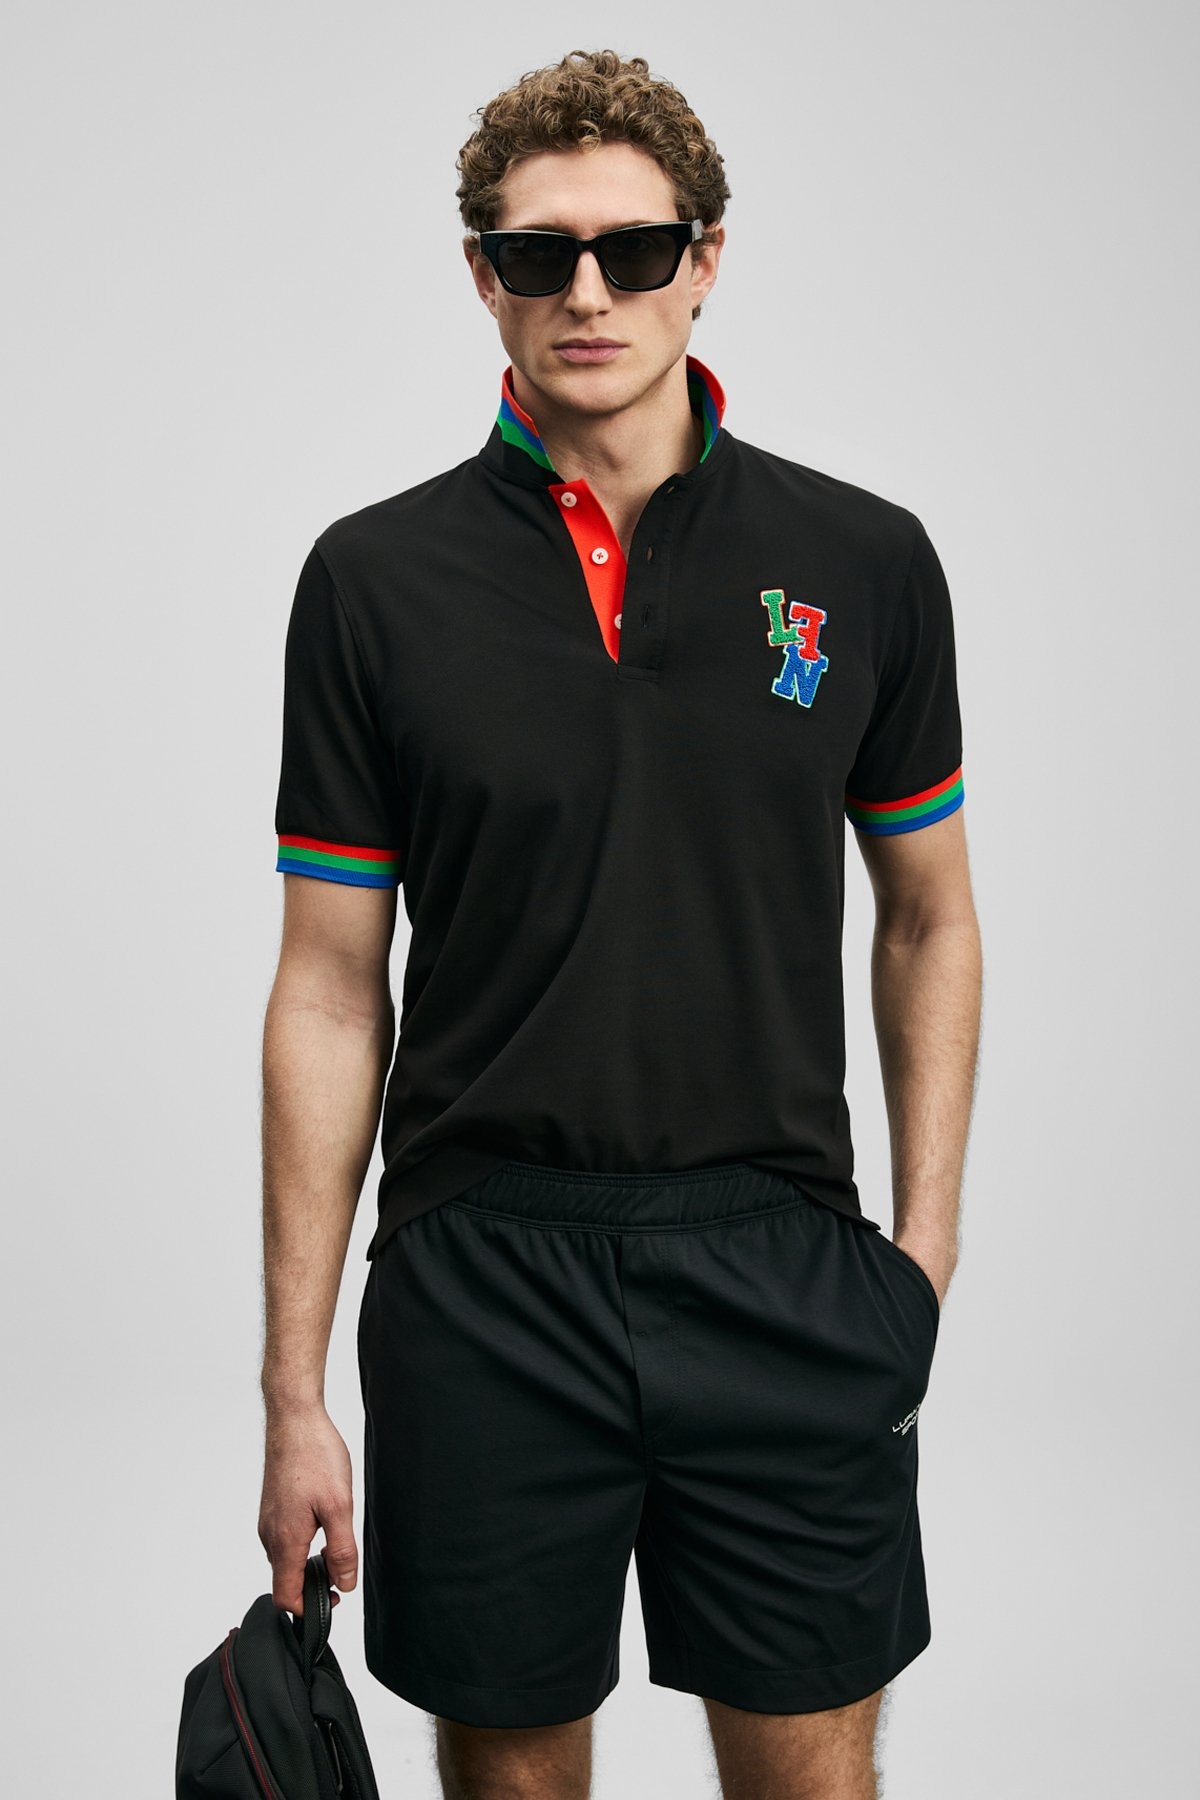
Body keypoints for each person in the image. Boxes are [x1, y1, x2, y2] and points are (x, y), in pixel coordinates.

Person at [258, 47, 982, 1800]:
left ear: (705, 259)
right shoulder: (373, 581)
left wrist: (921, 1257)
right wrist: (294, 1391)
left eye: (635, 250)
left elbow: (929, 919)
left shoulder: (864, 561)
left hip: (781, 1263)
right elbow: (330, 991)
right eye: (540, 254)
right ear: (483, 275)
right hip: (485, 1277)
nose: (589, 292)